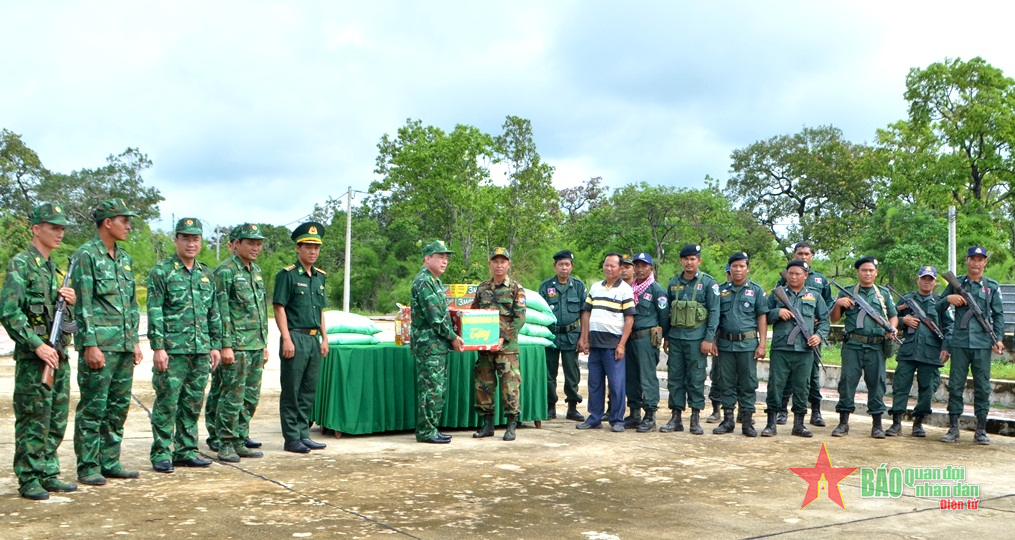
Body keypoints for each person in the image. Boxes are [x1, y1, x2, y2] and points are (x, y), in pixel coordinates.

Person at [0, 203, 77, 500]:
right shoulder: (21, 264)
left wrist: (70, 299)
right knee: (33, 419)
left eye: (62, 228)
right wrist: (37, 345)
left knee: (56, 417)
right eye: (53, 227)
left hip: (57, 354)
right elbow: (9, 312)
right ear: (36, 229)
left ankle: (48, 471)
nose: (59, 233)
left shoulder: (51, 268)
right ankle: (29, 476)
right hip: (36, 358)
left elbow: (58, 316)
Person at [71, 199, 144, 486]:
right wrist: (89, 344)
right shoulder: (86, 255)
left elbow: (131, 303)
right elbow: (83, 304)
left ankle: (110, 460)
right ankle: (88, 465)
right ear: (107, 222)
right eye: (124, 220)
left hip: (123, 346)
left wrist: (135, 341)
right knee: (93, 407)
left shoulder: (124, 258)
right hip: (100, 345)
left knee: (118, 406)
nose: (129, 226)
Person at [147, 218, 222, 473]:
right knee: (167, 403)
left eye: (196, 238)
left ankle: (186, 450)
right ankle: (161, 453)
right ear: (176, 240)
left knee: (192, 403)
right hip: (173, 351)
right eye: (186, 238)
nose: (191, 243)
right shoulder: (162, 272)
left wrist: (215, 345)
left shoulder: (206, 273)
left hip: (200, 350)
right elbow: (155, 309)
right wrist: (158, 347)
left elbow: (212, 311)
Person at [207, 223, 269, 462]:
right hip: (236, 346)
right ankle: (225, 442)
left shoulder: (256, 271)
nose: (256, 247)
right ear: (236, 244)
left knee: (250, 397)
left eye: (259, 243)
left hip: (254, 344)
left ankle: (240, 438)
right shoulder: (225, 271)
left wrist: (263, 343)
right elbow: (221, 310)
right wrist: (225, 345)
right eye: (250, 242)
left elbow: (260, 310)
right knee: (231, 396)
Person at [938, 246, 1005, 445]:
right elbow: (938, 307)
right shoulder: (956, 283)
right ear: (967, 261)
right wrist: (948, 299)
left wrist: (998, 338)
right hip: (959, 343)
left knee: (983, 387)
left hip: (983, 344)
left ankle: (981, 429)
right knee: (956, 385)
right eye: (972, 259)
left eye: (980, 259)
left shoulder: (991, 286)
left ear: (985, 262)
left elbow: (998, 315)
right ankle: (953, 428)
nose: (976, 263)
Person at [273, 221, 329, 453]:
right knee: (292, 390)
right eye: (307, 247)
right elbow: (279, 307)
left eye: (316, 247)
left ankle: (304, 433)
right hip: (295, 337)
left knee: (308, 389)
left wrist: (324, 338)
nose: (312, 251)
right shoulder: (287, 275)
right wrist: (286, 338)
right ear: (298, 248)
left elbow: (321, 311)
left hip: (313, 339)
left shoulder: (319, 277)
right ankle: (291, 437)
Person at [829, 256, 898, 439]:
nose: (868, 273)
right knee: (847, 383)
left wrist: (893, 328)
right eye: (864, 270)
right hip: (852, 345)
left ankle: (877, 425)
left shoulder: (882, 293)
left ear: (876, 272)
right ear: (858, 272)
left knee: (877, 384)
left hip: (876, 345)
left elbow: (893, 315)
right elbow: (834, 319)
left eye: (871, 270)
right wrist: (838, 304)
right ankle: (843, 423)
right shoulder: (848, 292)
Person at [762, 260, 830, 437]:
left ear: (805, 276)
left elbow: (824, 321)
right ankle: (771, 423)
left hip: (804, 350)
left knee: (802, 386)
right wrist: (777, 313)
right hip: (781, 348)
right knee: (775, 385)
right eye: (790, 273)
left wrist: (818, 336)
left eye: (797, 274)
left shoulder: (815, 296)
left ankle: (798, 424)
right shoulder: (777, 295)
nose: (793, 276)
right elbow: (763, 315)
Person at [659, 244, 720, 435]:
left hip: (697, 339)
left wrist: (709, 339)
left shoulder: (709, 283)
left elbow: (714, 312)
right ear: (681, 261)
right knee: (675, 378)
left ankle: (695, 418)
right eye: (686, 259)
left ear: (699, 261)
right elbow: (668, 313)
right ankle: (676, 417)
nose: (689, 262)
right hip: (676, 338)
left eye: (693, 259)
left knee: (696, 378)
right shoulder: (673, 283)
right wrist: (667, 337)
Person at [886, 265, 952, 438]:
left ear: (935, 282)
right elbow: (890, 319)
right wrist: (903, 320)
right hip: (908, 350)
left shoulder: (940, 302)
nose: (926, 282)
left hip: (931, 353)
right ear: (918, 280)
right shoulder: (907, 299)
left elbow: (949, 327)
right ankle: (896, 423)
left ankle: (918, 423)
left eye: (930, 279)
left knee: (927, 388)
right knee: (900, 386)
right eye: (924, 278)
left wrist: (946, 347)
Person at [411, 240, 465, 444]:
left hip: (437, 345)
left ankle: (431, 427)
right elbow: (435, 317)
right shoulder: (424, 281)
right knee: (430, 390)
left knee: (437, 389)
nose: (444, 261)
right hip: (429, 346)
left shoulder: (434, 281)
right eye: (440, 257)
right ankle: (425, 431)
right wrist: (452, 336)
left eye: (446, 258)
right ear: (427, 258)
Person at [774, 241, 833, 426]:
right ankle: (781, 412)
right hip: (785, 341)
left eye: (806, 254)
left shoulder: (820, 280)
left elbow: (826, 309)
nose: (803, 256)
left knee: (810, 378)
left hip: (809, 341)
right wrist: (777, 313)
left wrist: (816, 327)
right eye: (799, 253)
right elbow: (767, 309)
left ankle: (814, 411)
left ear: (812, 256)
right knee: (782, 379)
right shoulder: (784, 281)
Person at [470, 247, 526, 441]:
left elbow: (520, 318)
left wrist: (503, 337)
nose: (499, 265)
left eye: (503, 261)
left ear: (508, 264)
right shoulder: (482, 288)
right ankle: (487, 425)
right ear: (490, 264)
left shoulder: (516, 289)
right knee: (484, 386)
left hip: (506, 349)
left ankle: (511, 425)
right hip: (485, 348)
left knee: (510, 387)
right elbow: (474, 314)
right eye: (495, 261)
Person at [576, 253, 635, 432]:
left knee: (617, 384)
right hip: (595, 344)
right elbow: (586, 312)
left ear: (620, 268)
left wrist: (622, 344)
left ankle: (617, 419)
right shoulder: (595, 288)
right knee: (594, 383)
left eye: (613, 266)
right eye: (606, 265)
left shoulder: (625, 289)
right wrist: (584, 337)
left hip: (613, 345)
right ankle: (594, 417)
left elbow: (630, 318)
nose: (609, 269)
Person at [712, 252, 767, 437]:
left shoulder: (756, 290)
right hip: (725, 344)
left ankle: (747, 421)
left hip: (748, 344)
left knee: (748, 383)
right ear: (729, 269)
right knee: (725, 382)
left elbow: (762, 317)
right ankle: (728, 420)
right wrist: (712, 340)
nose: (738, 269)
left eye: (742, 266)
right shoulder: (720, 290)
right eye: (734, 266)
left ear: (747, 268)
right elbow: (715, 318)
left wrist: (762, 344)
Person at [538, 250, 587, 421]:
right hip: (551, 335)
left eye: (567, 264)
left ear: (572, 266)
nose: (564, 268)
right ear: (555, 266)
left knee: (572, 372)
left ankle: (572, 407)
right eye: (561, 264)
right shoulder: (545, 286)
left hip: (572, 334)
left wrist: (583, 337)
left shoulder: (579, 286)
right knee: (549, 373)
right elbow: (540, 313)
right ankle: (550, 406)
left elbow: (584, 313)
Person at [623, 252, 668, 432]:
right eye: (638, 266)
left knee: (647, 377)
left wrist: (663, 338)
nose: (640, 269)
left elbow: (664, 317)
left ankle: (650, 414)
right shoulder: (628, 289)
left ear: (651, 268)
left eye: (644, 266)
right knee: (631, 377)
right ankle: (634, 413)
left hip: (646, 339)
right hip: (629, 339)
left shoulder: (656, 290)